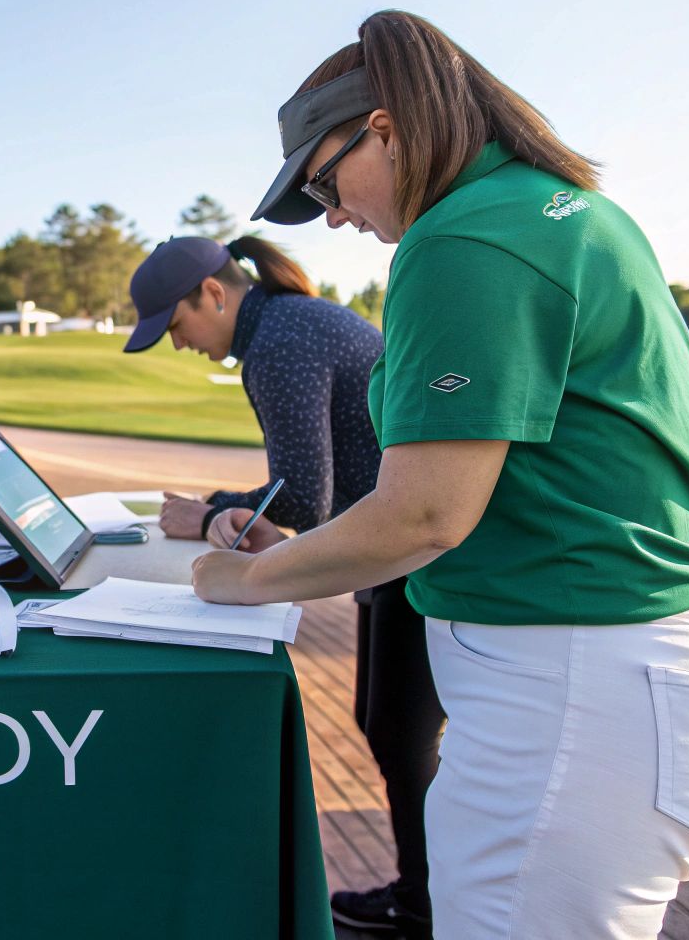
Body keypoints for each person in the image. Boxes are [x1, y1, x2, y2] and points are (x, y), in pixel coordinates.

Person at [195, 10, 689, 939]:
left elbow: (425, 514)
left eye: (326, 183)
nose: (336, 216)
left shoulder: (462, 238)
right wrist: (299, 548)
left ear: (384, 128)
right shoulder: (553, 206)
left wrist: (244, 580)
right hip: (608, 668)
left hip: (576, 677)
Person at [128, 236, 441, 935]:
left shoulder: (278, 340)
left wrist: (210, 510)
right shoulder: (289, 321)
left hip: (414, 551)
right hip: (392, 547)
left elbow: (304, 499)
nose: (178, 346)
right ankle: (424, 895)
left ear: (213, 294)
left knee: (404, 735)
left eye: (174, 327)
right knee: (390, 729)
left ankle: (429, 908)